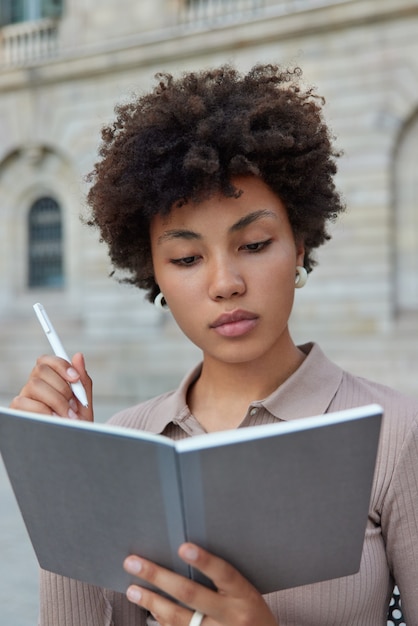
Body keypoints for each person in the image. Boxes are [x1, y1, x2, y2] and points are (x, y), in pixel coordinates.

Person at [11, 64, 418, 626]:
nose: (225, 283)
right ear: (153, 272)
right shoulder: (131, 442)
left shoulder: (395, 434)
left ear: (299, 244)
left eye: (253, 243)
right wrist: (62, 473)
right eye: (185, 258)